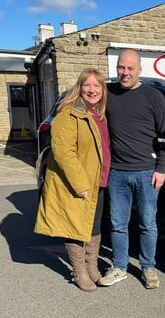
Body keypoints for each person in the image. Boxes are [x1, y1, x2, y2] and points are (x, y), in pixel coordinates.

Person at [98, 49, 165, 289]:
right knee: (118, 224)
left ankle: (148, 267)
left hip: (147, 173)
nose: (125, 72)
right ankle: (119, 266)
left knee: (147, 223)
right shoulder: (108, 94)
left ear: (140, 69)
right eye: (121, 67)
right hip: (117, 173)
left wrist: (161, 168)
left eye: (130, 68)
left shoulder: (153, 97)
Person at [34, 68, 111, 292]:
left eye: (97, 86)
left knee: (93, 226)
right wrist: (80, 185)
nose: (92, 90)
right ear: (79, 87)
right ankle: (79, 273)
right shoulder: (68, 114)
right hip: (79, 183)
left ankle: (92, 267)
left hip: (99, 180)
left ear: (102, 90)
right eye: (87, 85)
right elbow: (63, 152)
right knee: (75, 227)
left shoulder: (100, 114)